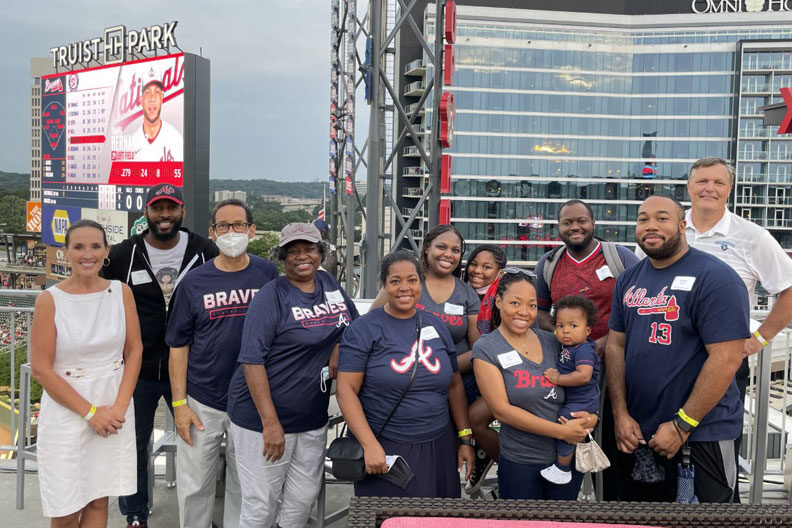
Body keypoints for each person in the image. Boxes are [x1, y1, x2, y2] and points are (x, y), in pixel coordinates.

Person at [636, 158, 792, 499]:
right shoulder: (662, 228)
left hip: (721, 363)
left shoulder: (752, 237)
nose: (710, 188)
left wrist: (761, 338)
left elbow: (789, 287)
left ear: (729, 190)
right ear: (689, 187)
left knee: (714, 477)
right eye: (703, 181)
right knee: (659, 476)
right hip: (665, 366)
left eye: (719, 183)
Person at [607, 195, 749, 503]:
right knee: (641, 520)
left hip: (702, 435)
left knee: (711, 522)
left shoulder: (715, 278)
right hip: (641, 434)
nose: (651, 226)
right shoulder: (629, 278)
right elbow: (616, 346)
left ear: (682, 226)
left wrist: (683, 425)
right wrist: (620, 414)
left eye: (662, 218)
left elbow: (726, 359)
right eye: (643, 219)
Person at [226, 222, 358, 528]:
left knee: (301, 499)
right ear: (282, 258)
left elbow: (354, 324)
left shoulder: (329, 284)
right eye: (293, 251)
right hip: (263, 420)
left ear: (320, 253)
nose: (303, 257)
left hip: (311, 416)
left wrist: (339, 343)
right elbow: (251, 360)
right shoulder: (271, 296)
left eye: (310, 249)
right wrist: (270, 424)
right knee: (261, 506)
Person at [102, 182, 218, 528]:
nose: (164, 215)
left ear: (181, 211)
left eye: (171, 208)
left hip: (190, 370)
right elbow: (96, 293)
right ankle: (135, 513)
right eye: (157, 208)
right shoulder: (124, 254)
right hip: (137, 370)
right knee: (133, 446)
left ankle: (197, 517)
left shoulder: (203, 250)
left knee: (196, 446)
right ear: (147, 212)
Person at [165, 199, 278, 528]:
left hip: (251, 399)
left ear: (251, 230)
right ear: (212, 233)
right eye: (224, 226)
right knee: (195, 484)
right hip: (203, 400)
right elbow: (178, 347)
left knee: (245, 485)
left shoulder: (267, 273)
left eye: (238, 225)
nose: (232, 232)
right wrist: (179, 404)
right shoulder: (194, 283)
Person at [336, 250, 475, 497]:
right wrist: (370, 445)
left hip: (440, 443)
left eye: (412, 280)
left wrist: (464, 438)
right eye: (395, 281)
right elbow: (346, 390)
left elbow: (454, 385)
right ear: (384, 285)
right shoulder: (364, 329)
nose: (405, 288)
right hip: (388, 446)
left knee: (437, 518)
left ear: (420, 282)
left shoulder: (435, 325)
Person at [31, 219, 142, 526]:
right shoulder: (49, 300)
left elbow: (134, 351)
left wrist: (117, 408)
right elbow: (41, 368)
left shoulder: (121, 293)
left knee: (98, 499)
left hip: (113, 404)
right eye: (78, 246)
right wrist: (91, 413)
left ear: (106, 251)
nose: (87, 254)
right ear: (65, 252)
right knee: (65, 507)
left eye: (95, 246)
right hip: (68, 410)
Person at [533, 199, 638, 500]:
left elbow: (640, 305)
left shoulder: (620, 257)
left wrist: (607, 342)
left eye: (581, 221)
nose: (574, 227)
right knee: (573, 423)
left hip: (618, 362)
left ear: (593, 224)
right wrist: (566, 338)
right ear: (559, 228)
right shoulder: (549, 264)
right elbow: (541, 311)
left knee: (613, 431)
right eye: (567, 223)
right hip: (571, 365)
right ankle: (570, 497)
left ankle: (613, 505)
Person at [472, 270, 595, 499]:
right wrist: (561, 431)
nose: (524, 312)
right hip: (522, 461)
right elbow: (502, 411)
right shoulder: (487, 348)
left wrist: (591, 418)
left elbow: (582, 387)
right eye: (515, 303)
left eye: (531, 305)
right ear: (498, 301)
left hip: (565, 459)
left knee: (560, 524)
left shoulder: (553, 341)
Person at [541, 294, 600, 485]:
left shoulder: (583, 349)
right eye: (560, 326)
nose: (566, 331)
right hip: (574, 397)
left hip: (582, 400)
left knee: (567, 424)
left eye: (573, 326)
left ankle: (562, 468)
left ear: (587, 330)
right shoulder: (566, 346)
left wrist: (558, 379)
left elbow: (583, 376)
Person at [131, 67, 183, 162]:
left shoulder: (176, 140)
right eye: (147, 92)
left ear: (162, 97)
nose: (152, 98)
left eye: (157, 92)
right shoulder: (131, 144)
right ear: (141, 100)